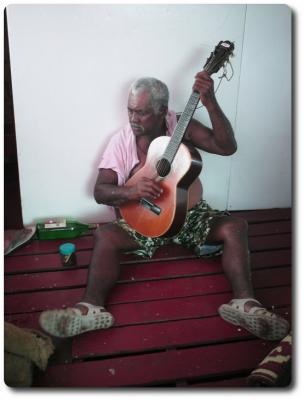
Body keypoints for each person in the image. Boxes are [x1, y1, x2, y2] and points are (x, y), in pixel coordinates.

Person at [39, 72, 289, 341]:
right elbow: (100, 191)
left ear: (162, 112)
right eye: (130, 111)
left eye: (142, 113)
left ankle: (245, 304)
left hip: (188, 215)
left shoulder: (180, 124)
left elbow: (226, 147)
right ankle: (89, 309)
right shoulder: (121, 141)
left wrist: (211, 102)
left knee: (235, 226)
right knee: (105, 235)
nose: (133, 119)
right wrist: (132, 191)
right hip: (145, 220)